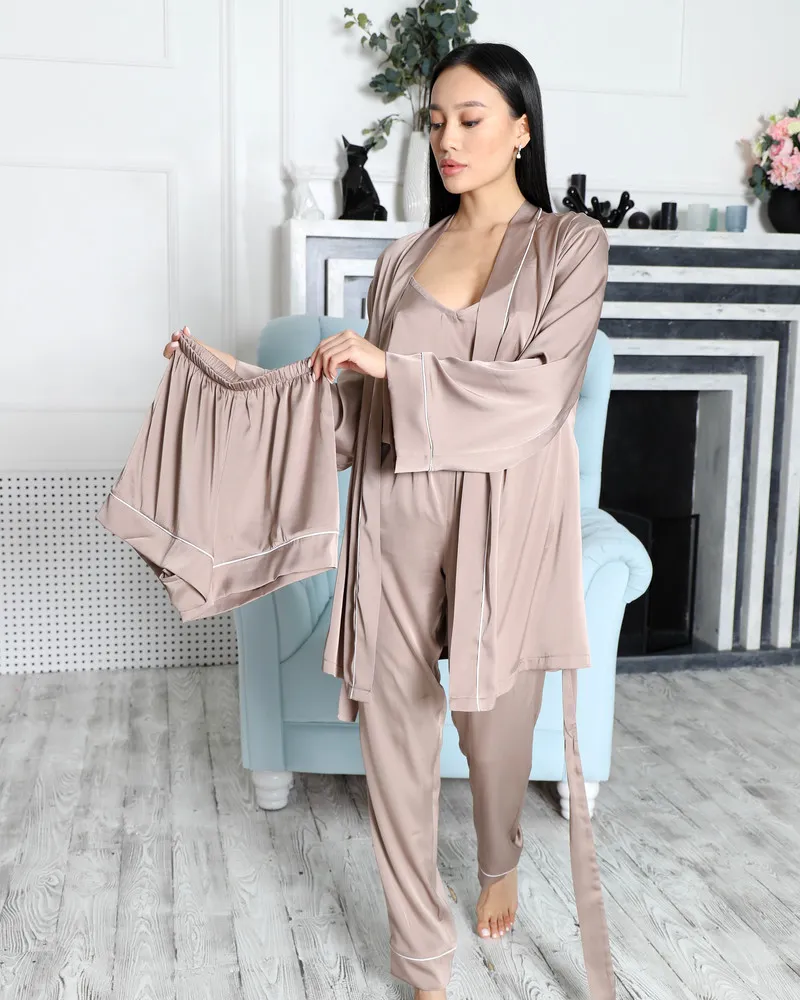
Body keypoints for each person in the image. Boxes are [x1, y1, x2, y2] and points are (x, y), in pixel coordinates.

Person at [164, 42, 614, 1000]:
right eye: (436, 121)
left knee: (494, 725)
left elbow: (541, 398)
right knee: (395, 729)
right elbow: (356, 409)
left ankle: (497, 856)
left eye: (471, 119)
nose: (448, 139)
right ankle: (421, 956)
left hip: (505, 512)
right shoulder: (404, 256)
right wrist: (237, 387)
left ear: (521, 128)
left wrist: (394, 369)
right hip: (396, 504)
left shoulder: (570, 245)